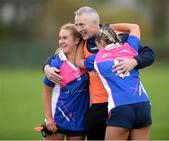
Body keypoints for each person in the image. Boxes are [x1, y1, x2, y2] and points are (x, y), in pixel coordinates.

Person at [44, 6, 154, 140]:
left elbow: (148, 54)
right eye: (76, 25)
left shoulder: (116, 36)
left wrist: (134, 61)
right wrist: (46, 67)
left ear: (95, 23)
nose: (78, 29)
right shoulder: (81, 39)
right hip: (98, 107)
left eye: (81, 24)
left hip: (121, 105)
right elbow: (59, 54)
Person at [76, 24, 152, 140]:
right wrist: (111, 26)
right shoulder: (130, 47)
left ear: (101, 42)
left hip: (121, 107)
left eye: (96, 44)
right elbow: (135, 27)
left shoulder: (97, 58)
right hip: (143, 104)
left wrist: (81, 41)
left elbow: (78, 62)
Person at [42, 23, 89, 140]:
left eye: (65, 38)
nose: (61, 41)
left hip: (79, 120)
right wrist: (49, 118)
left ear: (77, 40)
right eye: (60, 38)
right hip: (57, 119)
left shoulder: (86, 61)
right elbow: (46, 92)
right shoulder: (57, 63)